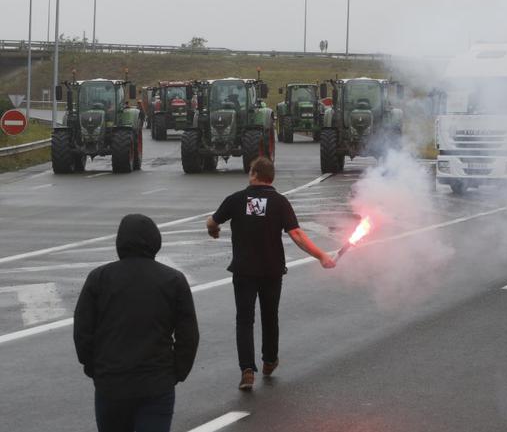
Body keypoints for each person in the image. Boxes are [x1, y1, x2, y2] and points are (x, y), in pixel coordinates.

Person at [206, 157, 335, 390]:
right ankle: (269, 361)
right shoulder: (280, 202)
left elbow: (211, 222)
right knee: (269, 315)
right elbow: (296, 235)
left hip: (244, 271)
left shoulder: (235, 200)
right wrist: (321, 255)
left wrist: (214, 231)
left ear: (254, 174)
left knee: (244, 320)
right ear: (271, 177)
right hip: (271, 270)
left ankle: (246, 370)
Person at [74, 214, 199, 432]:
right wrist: (177, 372)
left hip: (111, 382)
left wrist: (93, 367)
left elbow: (83, 330)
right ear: (155, 241)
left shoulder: (99, 278)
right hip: (156, 382)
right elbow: (188, 334)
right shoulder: (173, 280)